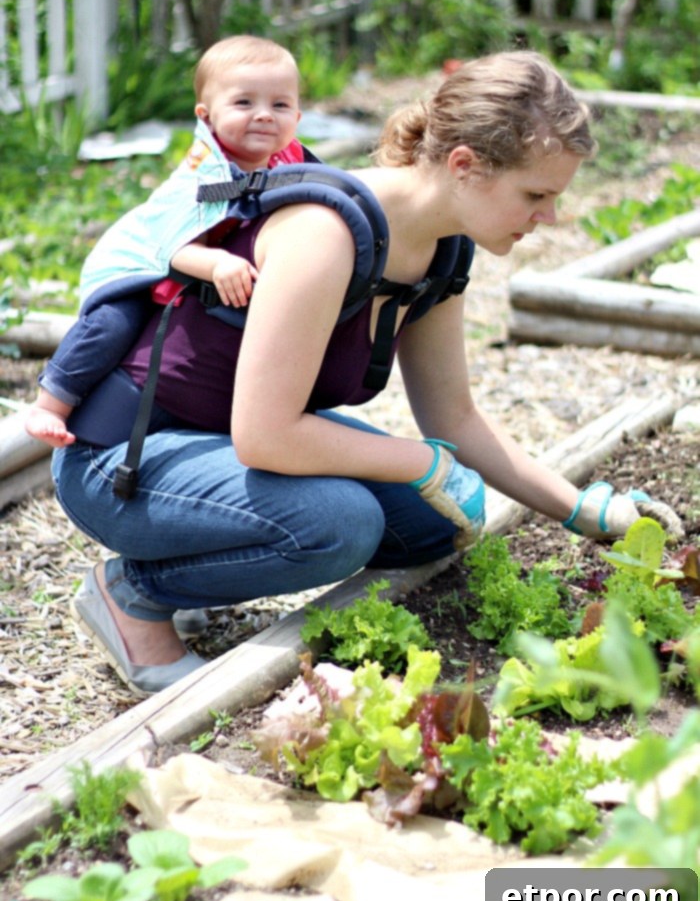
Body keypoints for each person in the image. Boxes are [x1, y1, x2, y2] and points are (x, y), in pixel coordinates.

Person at [50, 50, 682, 698]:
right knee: (338, 523)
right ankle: (132, 594)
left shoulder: (443, 246)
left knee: (428, 527)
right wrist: (420, 462)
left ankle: (203, 560)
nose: (548, 216)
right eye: (536, 195)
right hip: (122, 456)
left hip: (208, 441)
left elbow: (454, 418)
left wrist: (580, 509)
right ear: (464, 165)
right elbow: (265, 438)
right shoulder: (326, 234)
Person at [24, 34, 304, 448]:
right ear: (206, 117)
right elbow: (170, 245)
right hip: (136, 263)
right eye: (244, 103)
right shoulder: (205, 175)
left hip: (183, 264)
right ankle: (51, 402)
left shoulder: (287, 163)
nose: (264, 115)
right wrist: (217, 265)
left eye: (280, 105)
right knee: (113, 326)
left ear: (298, 116)